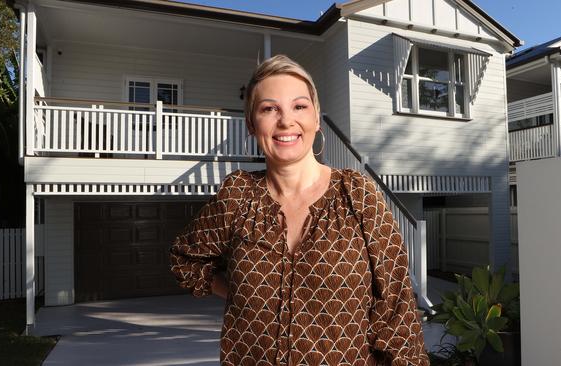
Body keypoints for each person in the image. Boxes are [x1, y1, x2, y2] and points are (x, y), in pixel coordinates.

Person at [170, 55, 429, 365]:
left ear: (316, 118)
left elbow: (398, 305)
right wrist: (240, 295)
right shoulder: (236, 195)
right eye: (269, 109)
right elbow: (185, 259)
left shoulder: (357, 194)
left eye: (299, 106)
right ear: (252, 124)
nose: (286, 121)